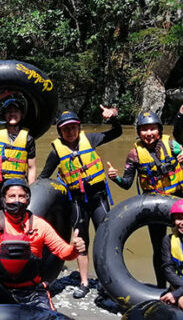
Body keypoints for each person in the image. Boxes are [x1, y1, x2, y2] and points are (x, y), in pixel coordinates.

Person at [0, 178, 86, 309]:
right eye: (12, 196)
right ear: (4, 199)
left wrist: (75, 250)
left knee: (48, 318)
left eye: (21, 196)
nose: (17, 200)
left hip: (30, 290)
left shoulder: (40, 225)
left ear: (28, 199)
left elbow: (63, 251)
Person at [39, 106, 121, 298]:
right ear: (60, 131)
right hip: (76, 201)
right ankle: (84, 282)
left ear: (79, 128)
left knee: (105, 236)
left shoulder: (90, 140)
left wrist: (113, 118)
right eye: (65, 129)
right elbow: (44, 176)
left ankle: (106, 281)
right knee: (81, 240)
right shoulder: (56, 152)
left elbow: (116, 133)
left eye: (73, 127)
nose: (70, 132)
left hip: (98, 197)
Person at [106, 111, 183, 287]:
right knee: (159, 248)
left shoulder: (172, 145)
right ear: (139, 132)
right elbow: (127, 184)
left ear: (159, 130)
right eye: (144, 130)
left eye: (152, 128)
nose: (148, 133)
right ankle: (161, 286)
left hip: (178, 200)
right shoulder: (134, 155)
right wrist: (116, 178)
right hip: (154, 205)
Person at [0, 91, 37, 212]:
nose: (12, 114)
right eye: (8, 111)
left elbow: (31, 167)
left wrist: (31, 190)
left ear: (21, 114)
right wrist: (5, 93)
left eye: (15, 111)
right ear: (4, 115)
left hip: (17, 183)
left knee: (17, 212)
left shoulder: (28, 138)